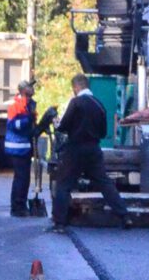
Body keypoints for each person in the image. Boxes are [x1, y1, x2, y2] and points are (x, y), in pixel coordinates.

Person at [49, 74, 126, 230]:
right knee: (105, 183)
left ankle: (60, 223)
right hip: (93, 150)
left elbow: (64, 127)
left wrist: (57, 123)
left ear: (77, 86)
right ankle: (124, 216)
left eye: (74, 89)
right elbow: (103, 132)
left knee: (64, 184)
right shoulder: (99, 105)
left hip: (75, 149)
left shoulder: (76, 103)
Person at [3, 81, 38, 217]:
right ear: (23, 92)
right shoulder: (15, 107)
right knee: (21, 178)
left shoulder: (29, 105)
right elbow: (13, 125)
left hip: (25, 146)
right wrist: (27, 120)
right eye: (28, 93)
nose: (31, 96)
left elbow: (30, 126)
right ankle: (17, 207)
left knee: (24, 178)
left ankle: (20, 204)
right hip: (17, 147)